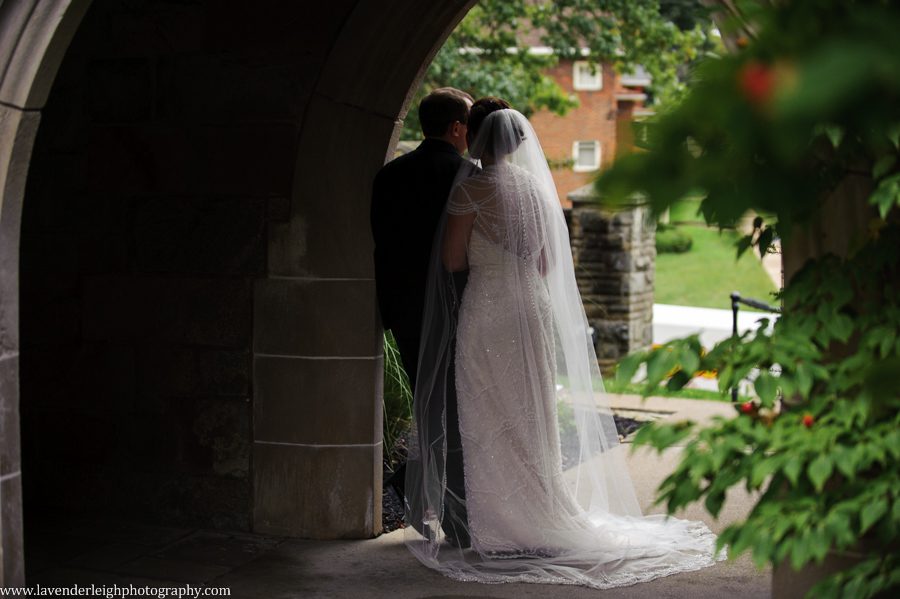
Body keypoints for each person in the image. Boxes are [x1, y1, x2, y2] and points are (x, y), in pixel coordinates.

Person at [404, 98, 724, 588]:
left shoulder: (471, 190)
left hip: (488, 310)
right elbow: (551, 263)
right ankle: (543, 510)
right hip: (531, 307)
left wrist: (486, 261)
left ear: (474, 135)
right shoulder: (536, 188)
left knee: (488, 414)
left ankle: (500, 528)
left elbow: (450, 261)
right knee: (533, 412)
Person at [370, 87, 473, 546]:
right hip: (457, 312)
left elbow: (382, 245)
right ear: (456, 128)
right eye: (468, 125)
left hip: (406, 311)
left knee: (428, 404)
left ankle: (417, 489)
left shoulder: (389, 175)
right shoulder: (468, 176)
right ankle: (451, 512)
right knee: (458, 412)